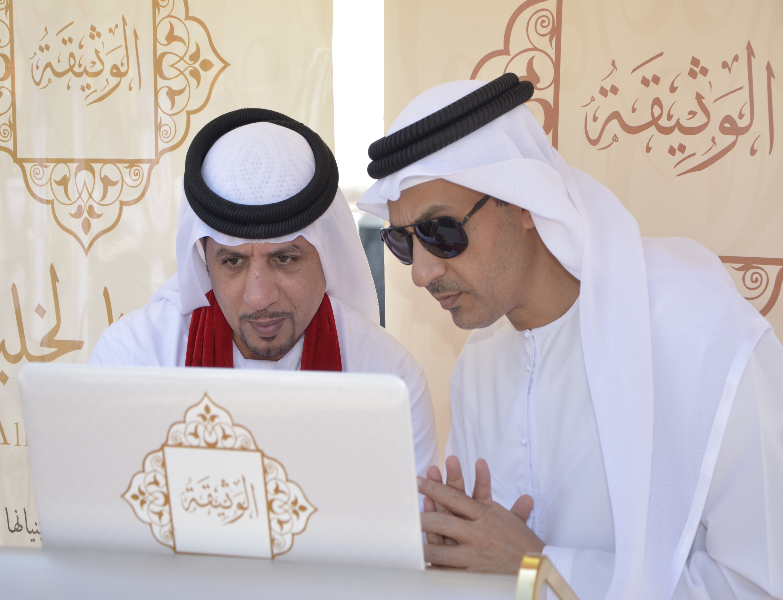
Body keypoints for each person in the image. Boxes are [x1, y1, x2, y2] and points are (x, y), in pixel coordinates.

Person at [357, 74, 783, 600]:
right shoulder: (479, 365)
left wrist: (538, 570)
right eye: (402, 242)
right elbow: (483, 566)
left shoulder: (698, 333)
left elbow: (759, 584)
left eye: (441, 232)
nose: (420, 272)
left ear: (521, 204)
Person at [90, 109, 439, 479]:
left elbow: (405, 533)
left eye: (285, 259)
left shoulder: (387, 382)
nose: (259, 298)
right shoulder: (132, 363)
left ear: (327, 257)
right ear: (204, 262)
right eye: (233, 263)